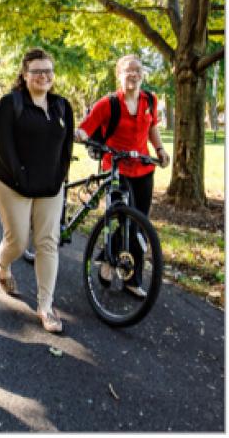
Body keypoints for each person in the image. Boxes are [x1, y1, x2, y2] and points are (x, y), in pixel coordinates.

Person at [0, 48, 74, 333]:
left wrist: (60, 178)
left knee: (48, 242)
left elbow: (66, 150)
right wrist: (21, 178)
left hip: (50, 186)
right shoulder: (8, 105)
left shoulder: (62, 106)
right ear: (24, 75)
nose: (43, 76)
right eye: (37, 71)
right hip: (12, 183)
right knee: (18, 240)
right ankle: (1, 262)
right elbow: (4, 149)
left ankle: (46, 307)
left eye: (48, 71)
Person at [74, 54, 170, 297]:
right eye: (129, 70)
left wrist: (159, 149)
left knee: (139, 225)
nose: (134, 74)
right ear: (119, 74)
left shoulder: (149, 99)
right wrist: (81, 136)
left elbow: (152, 128)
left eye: (138, 70)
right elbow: (85, 128)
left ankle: (131, 279)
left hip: (143, 169)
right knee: (122, 218)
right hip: (115, 169)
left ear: (143, 74)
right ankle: (107, 259)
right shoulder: (108, 103)